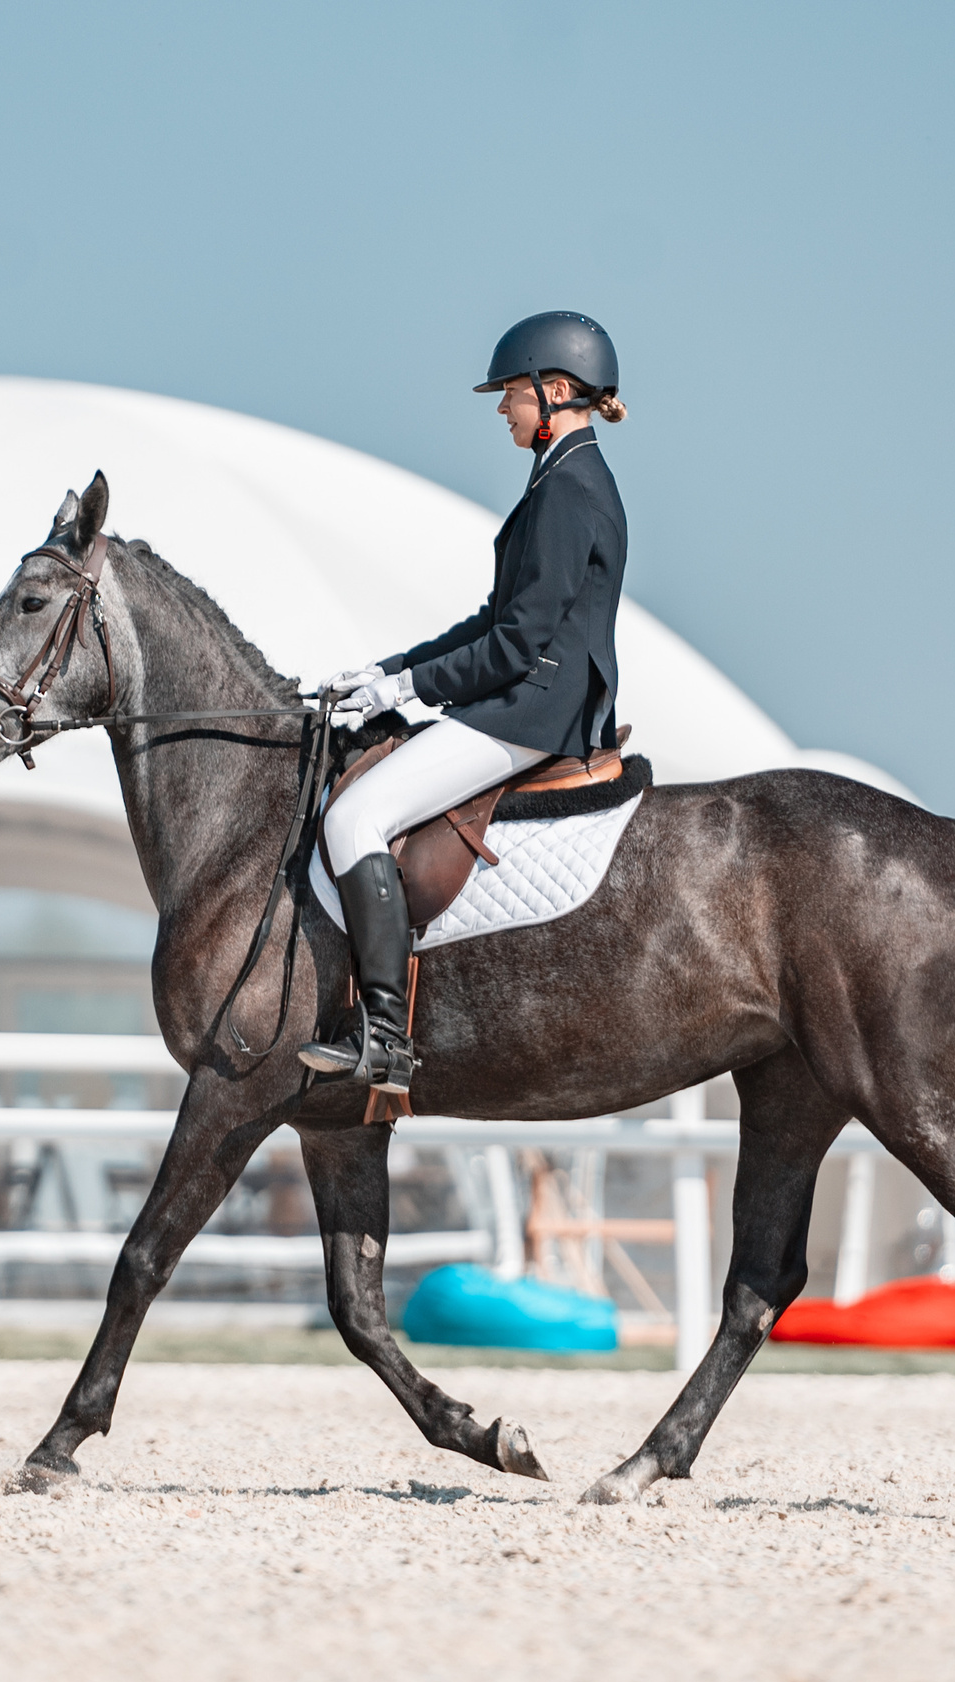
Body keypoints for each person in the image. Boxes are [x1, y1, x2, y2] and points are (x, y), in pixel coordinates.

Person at [298, 311, 630, 1095]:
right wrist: (387, 671)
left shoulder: (569, 490)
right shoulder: (562, 476)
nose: (501, 407)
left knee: (352, 818)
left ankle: (384, 1037)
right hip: (534, 696)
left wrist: (409, 690)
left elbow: (515, 646)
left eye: (511, 392)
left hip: (534, 712)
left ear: (554, 390)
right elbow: (491, 621)